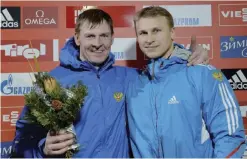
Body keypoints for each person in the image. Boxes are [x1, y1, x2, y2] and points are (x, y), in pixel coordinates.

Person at [10, 8, 209, 158]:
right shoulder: (50, 82)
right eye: (90, 36)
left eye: (104, 35)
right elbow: (22, 141)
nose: (98, 43)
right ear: (77, 38)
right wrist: (42, 148)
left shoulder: (128, 78)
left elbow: (164, 68)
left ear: (113, 38)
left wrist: (186, 54)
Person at [127, 6, 245, 158]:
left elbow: (231, 137)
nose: (149, 39)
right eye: (143, 33)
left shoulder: (203, 74)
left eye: (156, 31)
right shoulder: (134, 83)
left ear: (172, 32)